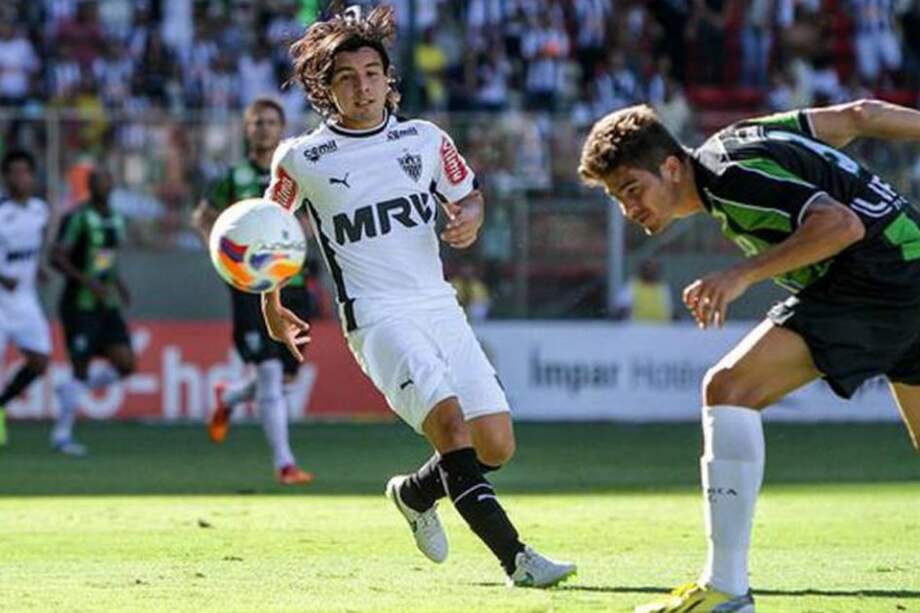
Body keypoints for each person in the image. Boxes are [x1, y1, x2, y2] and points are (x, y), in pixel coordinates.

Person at [260, 5, 576, 587]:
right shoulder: (302, 158)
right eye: (347, 78)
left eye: (372, 73)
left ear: (389, 79)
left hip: (438, 305)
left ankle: (413, 494)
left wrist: (470, 220)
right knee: (451, 428)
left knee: (496, 443)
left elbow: (470, 195)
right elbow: (267, 234)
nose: (363, 87)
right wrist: (271, 303)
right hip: (377, 318)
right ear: (326, 90)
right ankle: (519, 560)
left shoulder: (425, 138)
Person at [578, 100, 920, 612]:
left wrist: (739, 275)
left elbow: (840, 225)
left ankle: (726, 588)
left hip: (876, 279)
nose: (629, 209)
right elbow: (861, 116)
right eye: (617, 198)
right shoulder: (744, 134)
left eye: (632, 189)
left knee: (728, 388)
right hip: (909, 261)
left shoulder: (728, 176)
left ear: (671, 166)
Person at [192, 97, 314, 486]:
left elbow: (314, 218)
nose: (263, 128)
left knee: (285, 377)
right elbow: (203, 217)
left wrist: (302, 240)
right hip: (251, 289)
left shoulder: (296, 174)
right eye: (256, 122)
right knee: (269, 369)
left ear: (281, 128)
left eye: (270, 122)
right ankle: (285, 464)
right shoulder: (233, 176)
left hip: (293, 285)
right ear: (247, 129)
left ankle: (229, 398)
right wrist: (223, 259)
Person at [51, 167, 136, 456]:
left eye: (108, 179)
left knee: (126, 363)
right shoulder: (76, 217)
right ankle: (62, 435)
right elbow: (56, 257)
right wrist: (87, 281)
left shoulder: (115, 217)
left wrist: (119, 284)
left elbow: (106, 257)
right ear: (89, 186)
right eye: (99, 181)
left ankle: (71, 392)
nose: (105, 184)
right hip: (79, 305)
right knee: (80, 368)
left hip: (106, 304)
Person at [0, 150, 52, 449]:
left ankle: (1, 404)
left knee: (40, 360)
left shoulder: (39, 211)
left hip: (25, 300)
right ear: (6, 178)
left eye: (25, 172)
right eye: (14, 172)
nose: (21, 178)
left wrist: (39, 269)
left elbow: (35, 247)